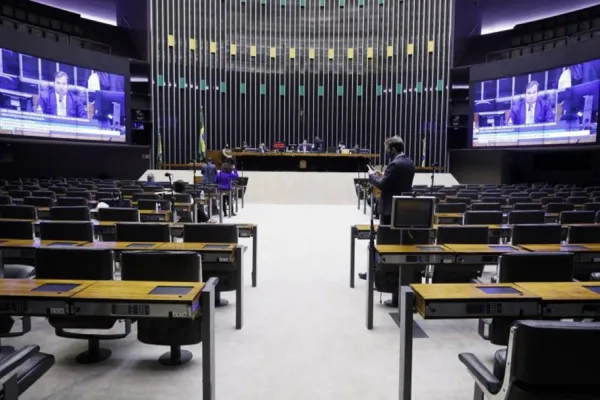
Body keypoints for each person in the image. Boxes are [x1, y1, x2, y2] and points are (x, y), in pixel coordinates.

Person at [358, 136, 416, 306]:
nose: (385, 150)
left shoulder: (395, 164)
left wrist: (372, 176)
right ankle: (380, 272)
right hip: (403, 208)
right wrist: (384, 175)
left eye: (386, 148)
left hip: (389, 209)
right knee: (398, 244)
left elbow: (383, 185)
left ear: (392, 148)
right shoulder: (409, 163)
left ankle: (378, 273)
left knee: (384, 244)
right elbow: (397, 182)